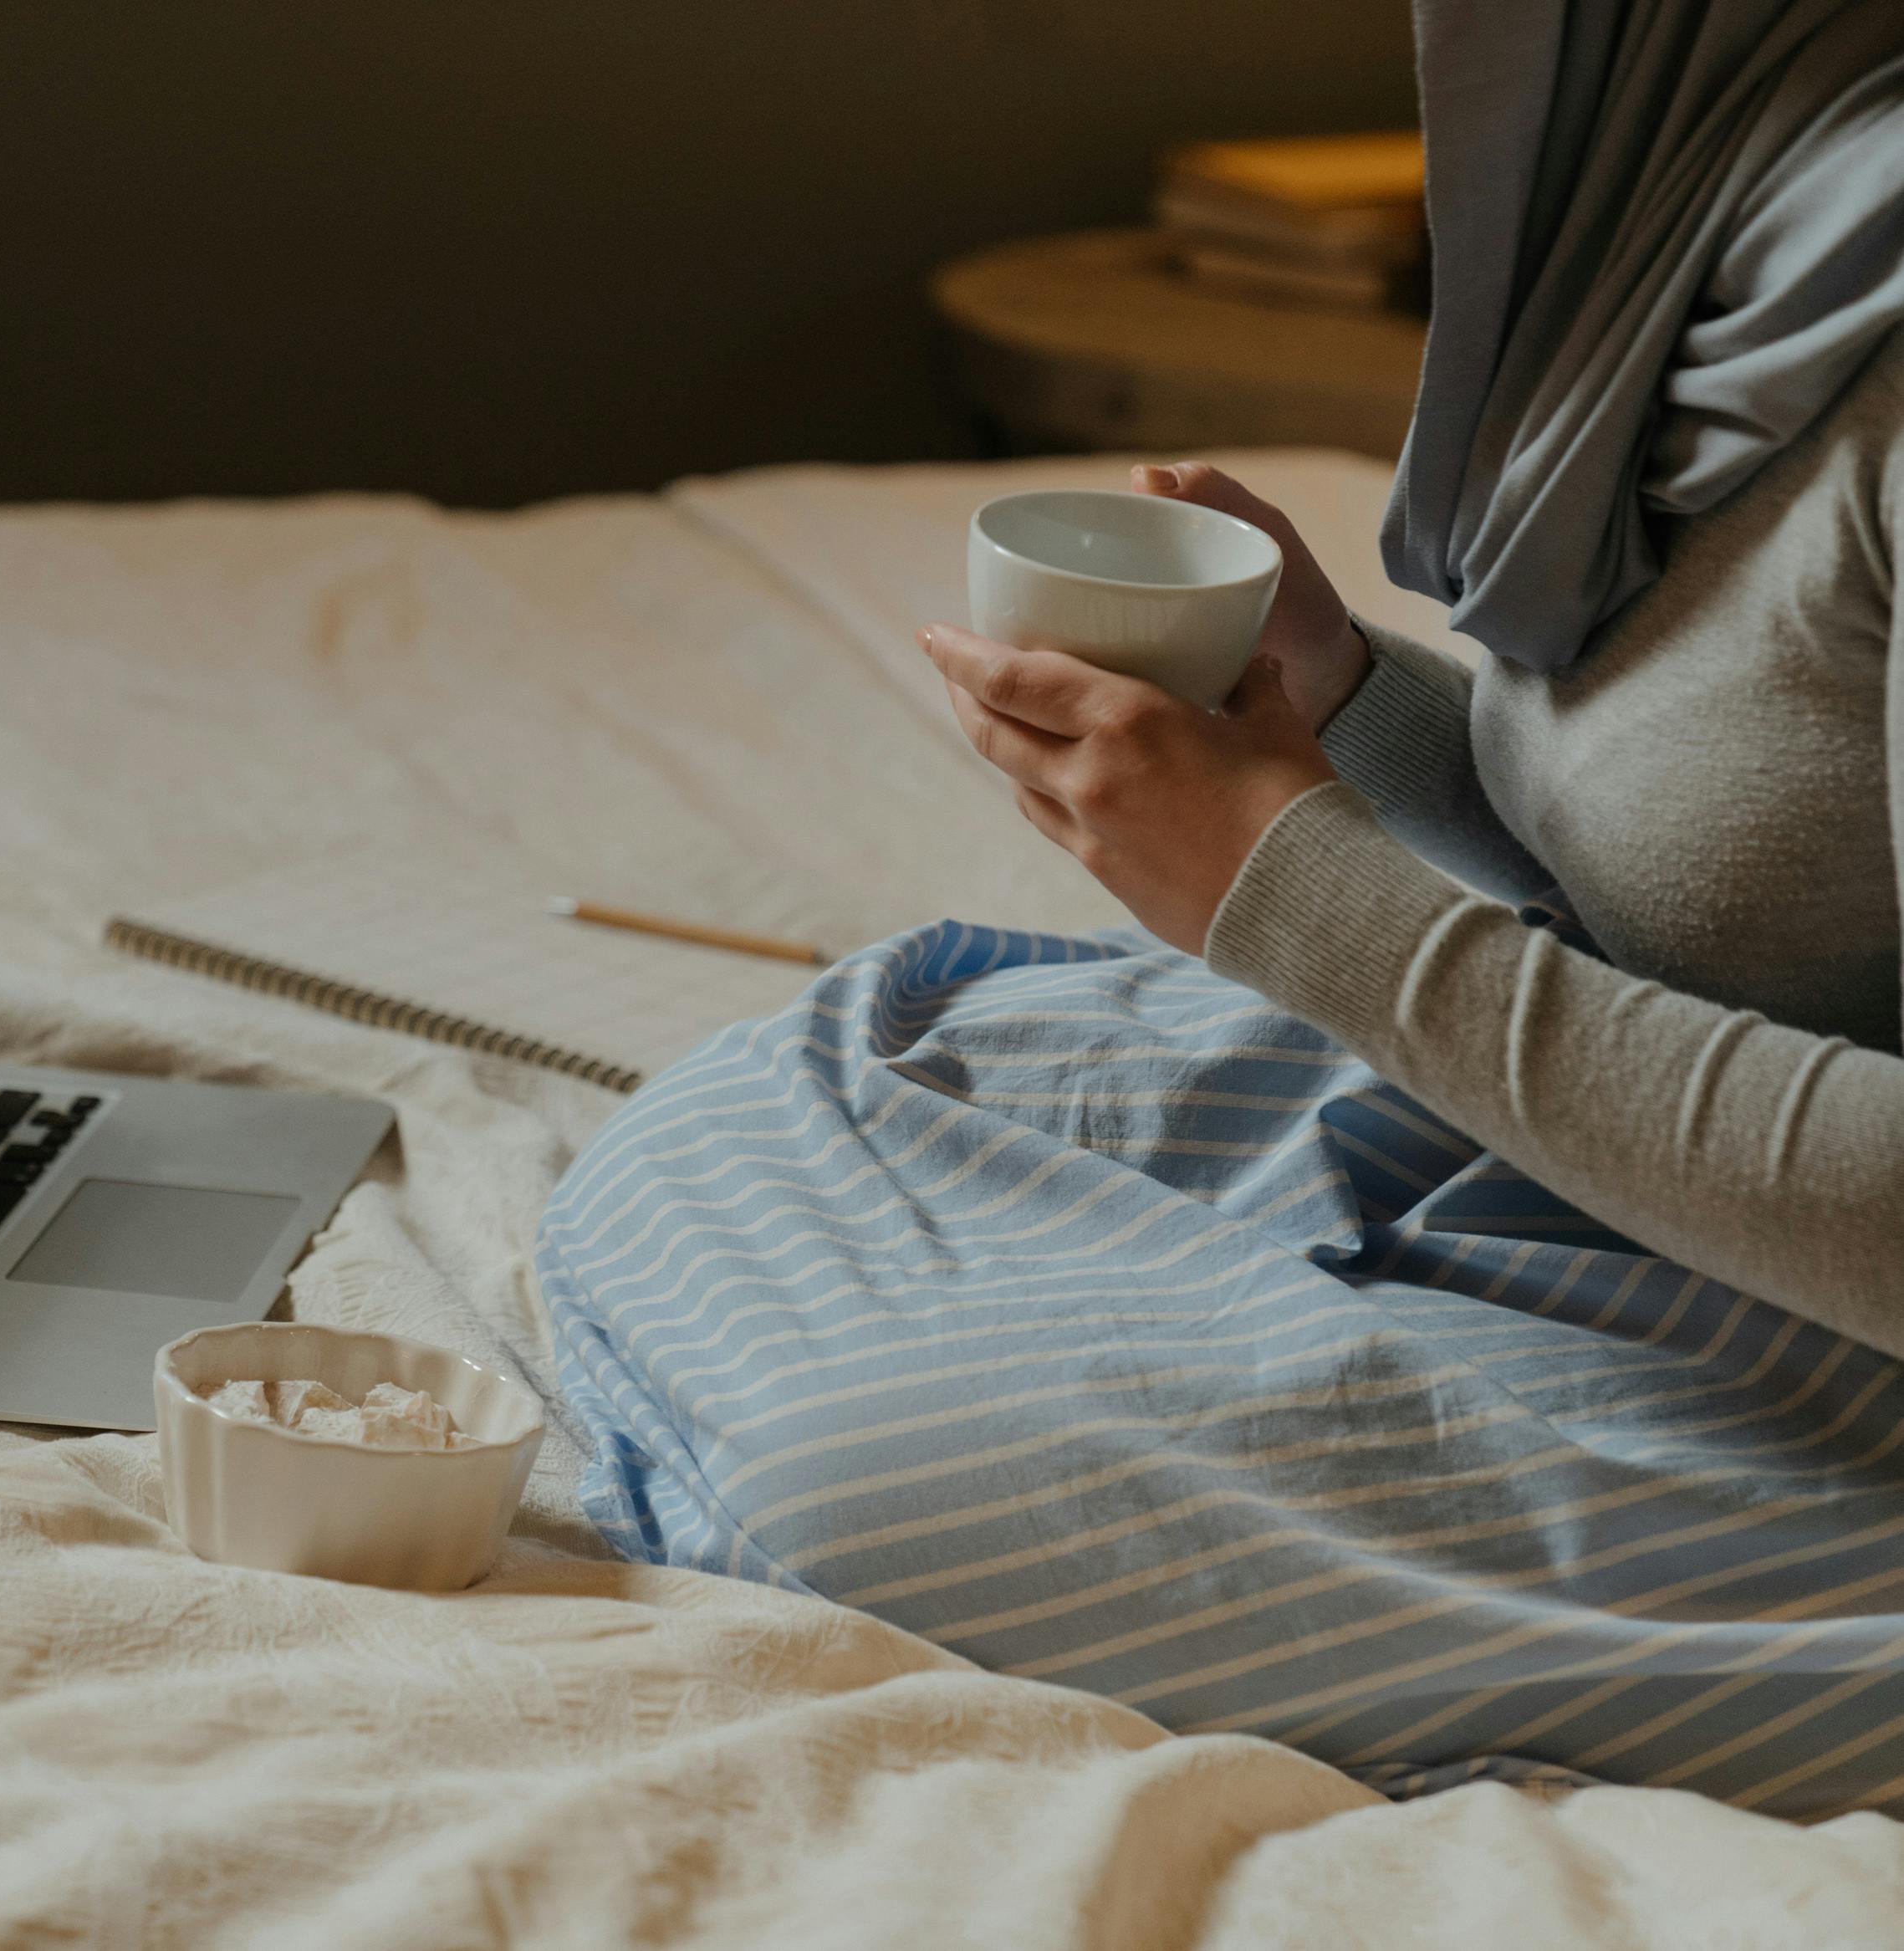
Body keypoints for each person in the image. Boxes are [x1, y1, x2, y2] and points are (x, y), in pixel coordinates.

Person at [539, 0, 1904, 1816]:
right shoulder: (1763, 188)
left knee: (872, 1468)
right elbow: (1748, 844)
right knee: (776, 1106)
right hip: (1676, 1160)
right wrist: (1336, 701)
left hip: (1837, 1293)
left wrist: (1297, 896)